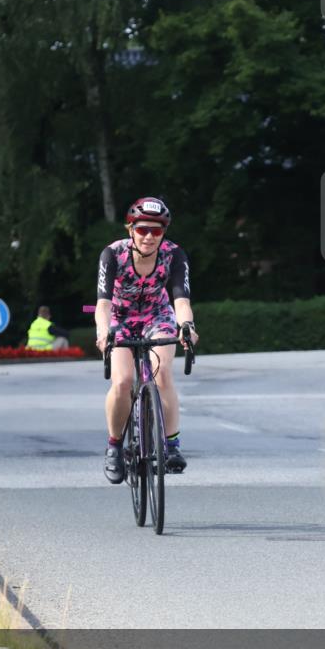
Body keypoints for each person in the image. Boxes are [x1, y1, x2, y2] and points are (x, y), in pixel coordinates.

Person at [95, 196, 199, 484]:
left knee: (162, 373)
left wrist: (187, 325)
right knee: (123, 381)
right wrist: (104, 333)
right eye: (142, 229)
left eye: (157, 230)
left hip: (157, 315)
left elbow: (181, 299)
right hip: (119, 317)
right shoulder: (112, 254)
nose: (149, 237)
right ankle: (114, 447)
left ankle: (172, 445)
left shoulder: (175, 254)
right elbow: (102, 305)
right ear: (130, 229)